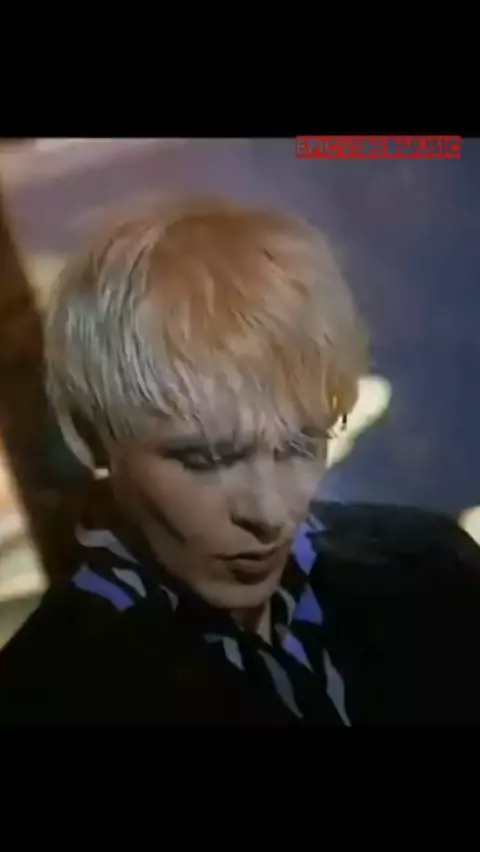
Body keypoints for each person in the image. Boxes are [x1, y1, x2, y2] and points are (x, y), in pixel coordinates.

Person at [1, 196, 480, 725]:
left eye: (300, 445)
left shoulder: (432, 576)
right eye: (206, 459)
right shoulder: (44, 698)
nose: (267, 511)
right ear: (93, 436)